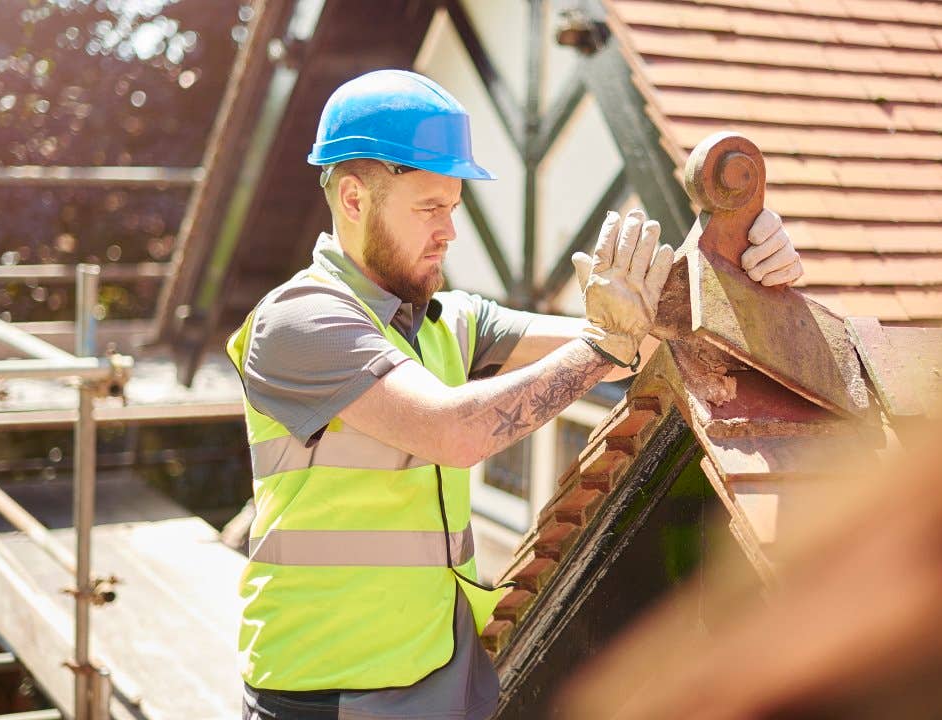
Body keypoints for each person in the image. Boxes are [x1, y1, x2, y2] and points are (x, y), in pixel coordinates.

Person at [232, 69, 804, 720]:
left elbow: (639, 343)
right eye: (429, 208)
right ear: (355, 200)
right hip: (319, 695)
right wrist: (602, 345)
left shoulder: (449, 321)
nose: (450, 230)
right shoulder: (298, 321)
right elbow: (456, 432)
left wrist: (736, 268)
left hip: (438, 681)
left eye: (453, 207)